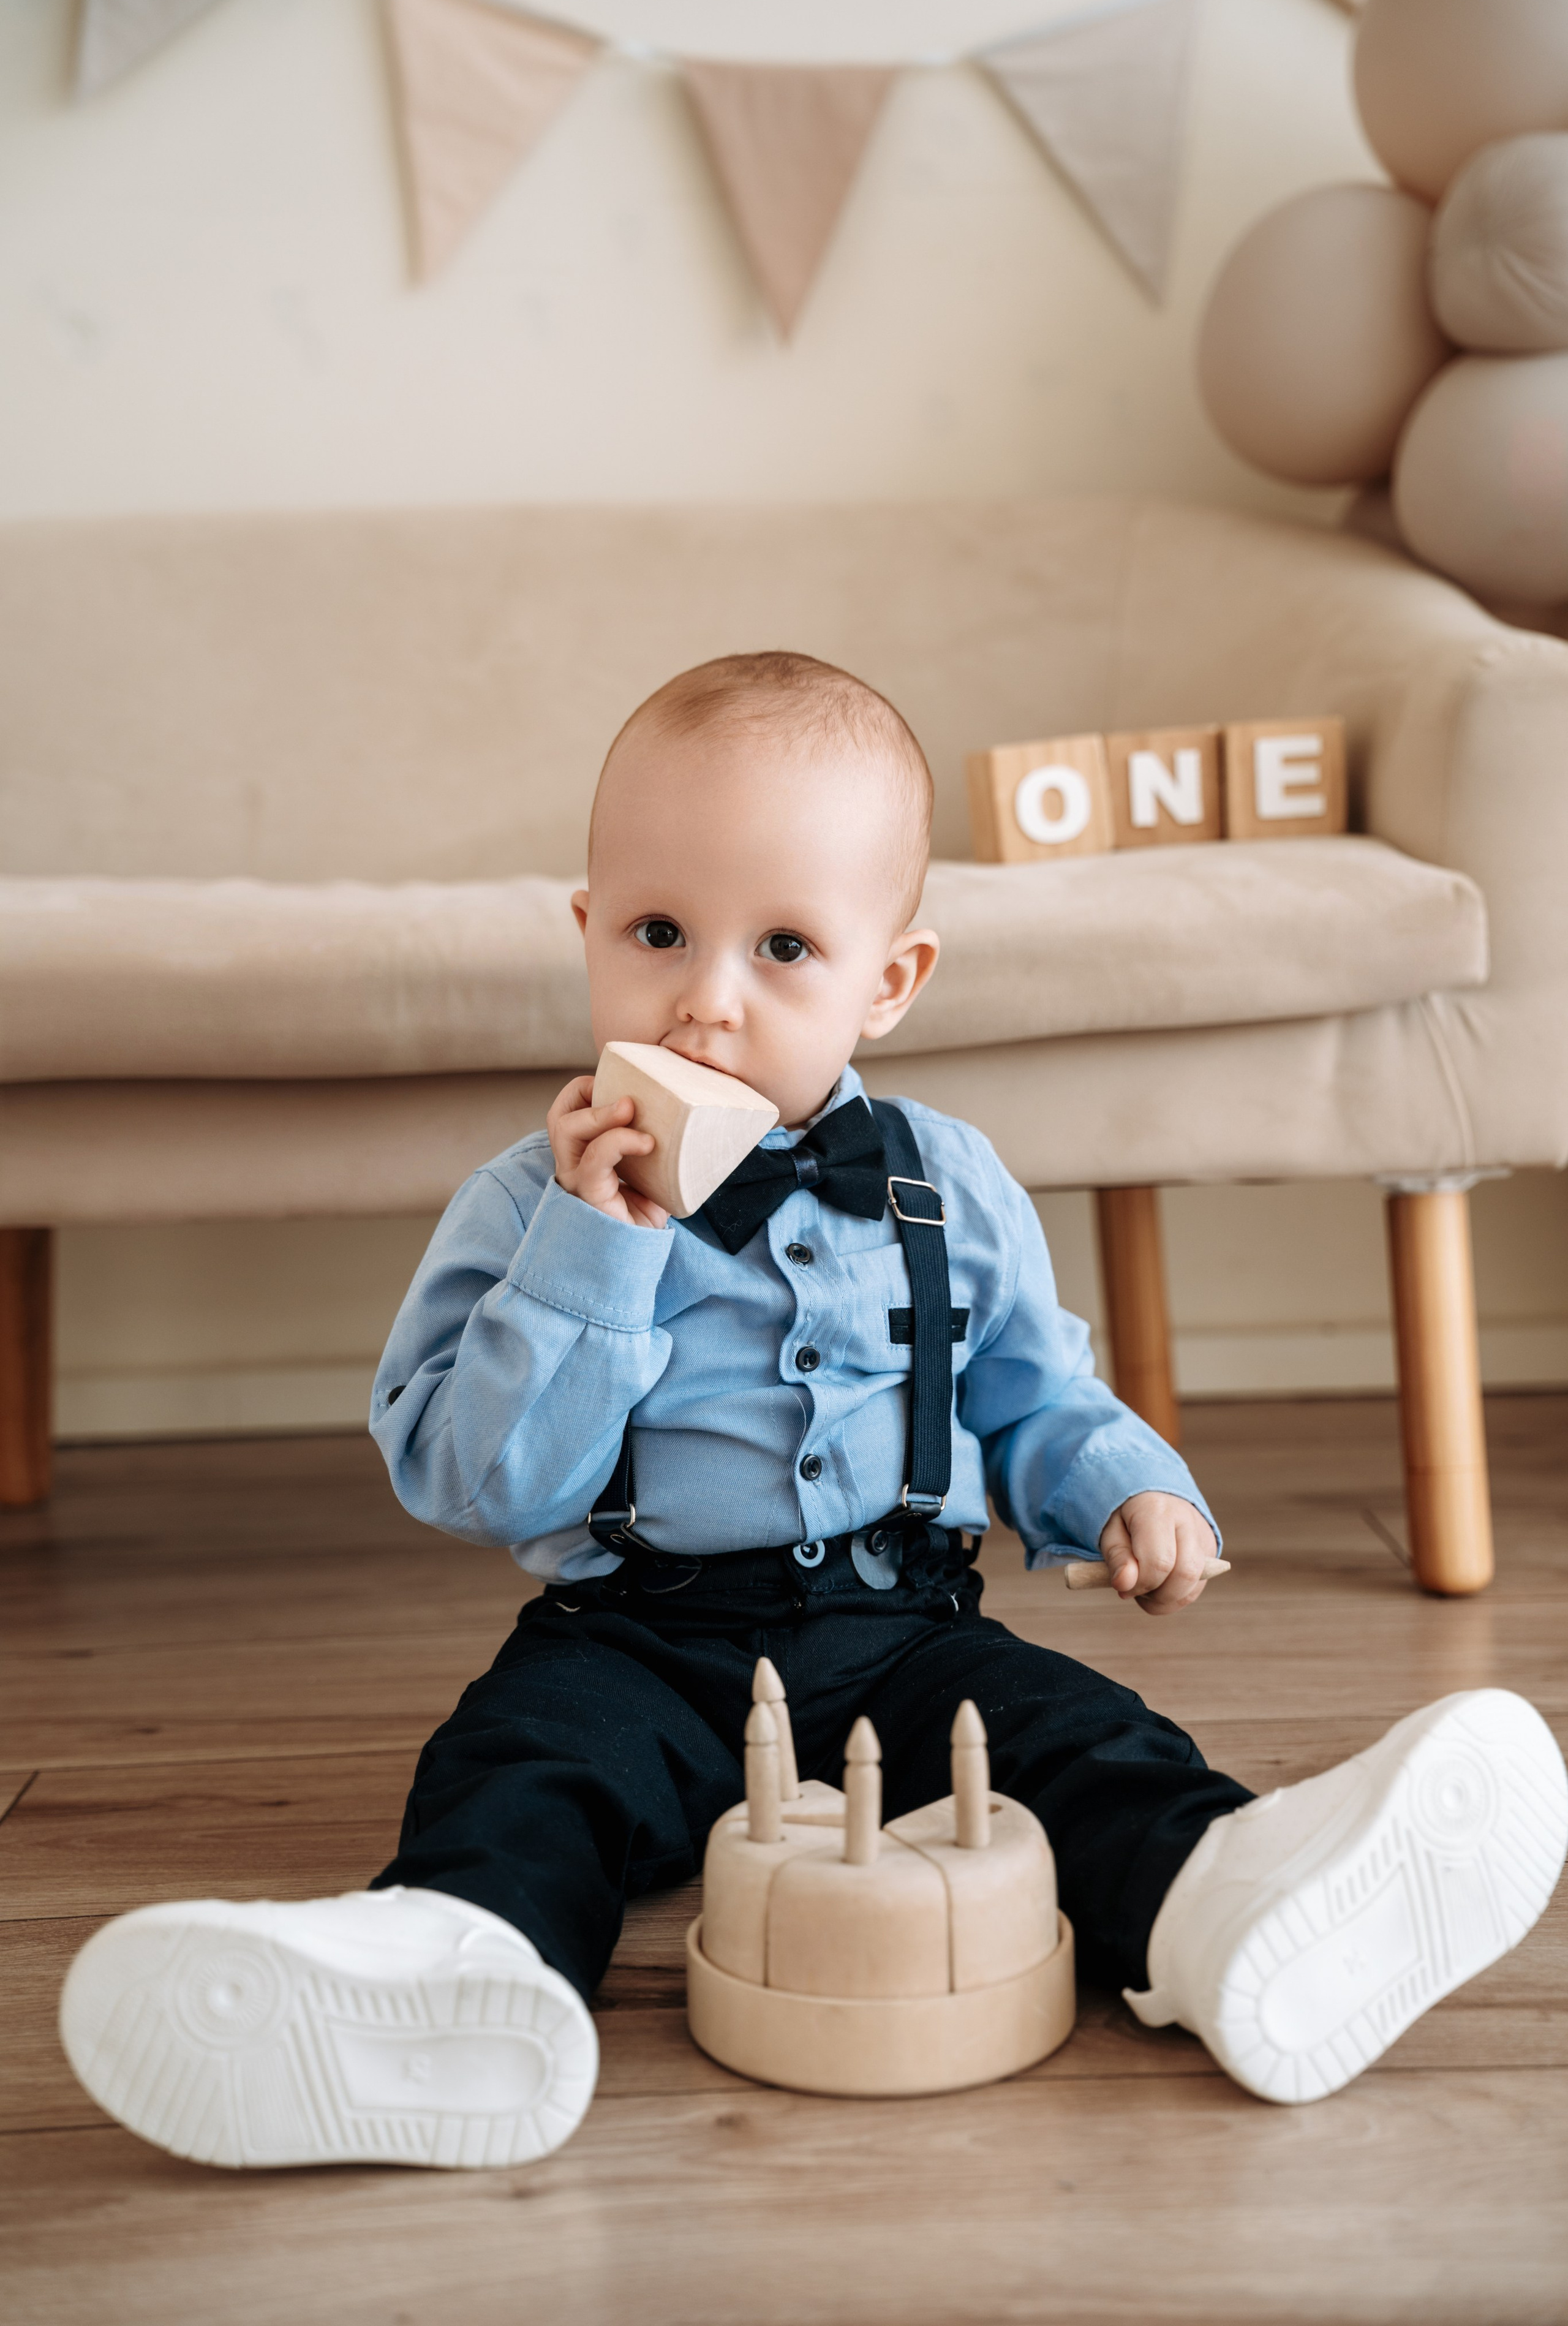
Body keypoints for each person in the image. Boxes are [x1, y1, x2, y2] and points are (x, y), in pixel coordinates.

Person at [60, 652, 1567, 2169]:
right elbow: (471, 1482)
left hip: (897, 1629)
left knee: (1069, 1740)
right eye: (658, 933)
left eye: (783, 947)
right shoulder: (529, 1204)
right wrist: (601, 1257)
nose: (707, 1001)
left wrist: (1124, 1488)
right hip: (633, 1637)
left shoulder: (944, 1181)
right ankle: (450, 1979)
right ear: (587, 936)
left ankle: (1230, 1906)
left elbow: (1029, 1385)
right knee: (520, 1774)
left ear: (887, 983)